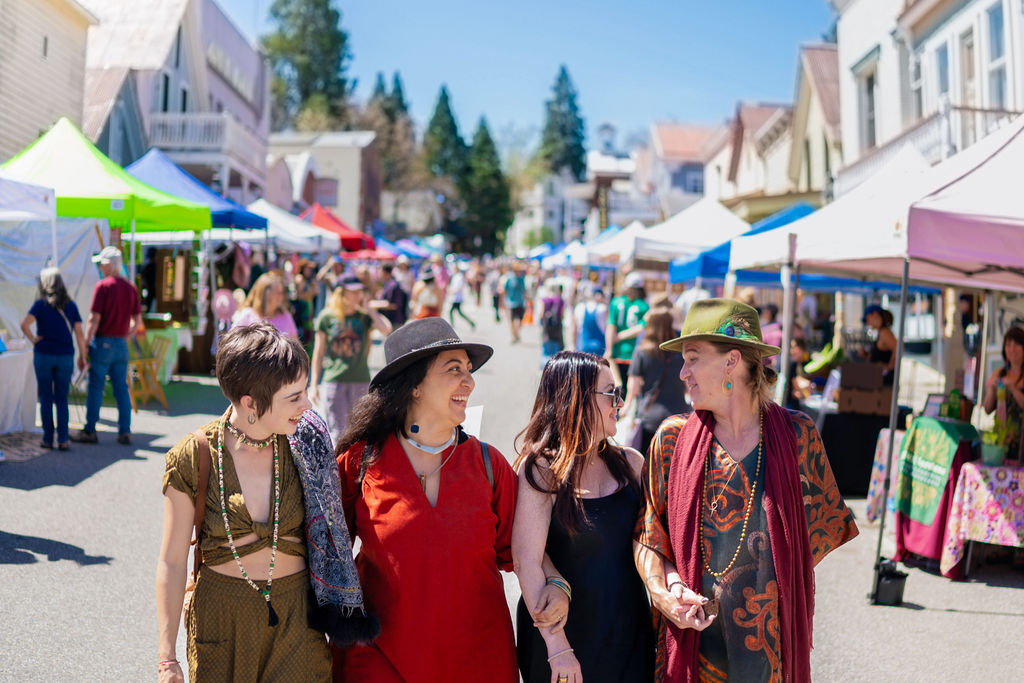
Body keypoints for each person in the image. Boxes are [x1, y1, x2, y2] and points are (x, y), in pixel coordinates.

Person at [633, 298, 859, 682]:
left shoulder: (797, 436)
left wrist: (764, 586)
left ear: (731, 362)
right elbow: (648, 537)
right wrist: (666, 590)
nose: (683, 373)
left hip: (771, 654)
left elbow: (814, 538)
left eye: (692, 358)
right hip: (693, 648)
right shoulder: (671, 440)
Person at [334, 318, 559, 682]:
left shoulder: (490, 465)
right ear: (414, 386)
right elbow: (327, 553)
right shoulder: (360, 463)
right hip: (380, 659)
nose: (468, 381)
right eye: (454, 370)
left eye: (469, 371)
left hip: (479, 661)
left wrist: (559, 586)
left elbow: (522, 555)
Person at [156, 322, 376, 683]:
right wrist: (167, 659)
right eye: (294, 397)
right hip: (220, 619)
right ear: (251, 404)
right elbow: (172, 560)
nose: (307, 405)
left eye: (305, 392)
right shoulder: (194, 455)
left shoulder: (305, 445)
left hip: (296, 617)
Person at [513, 351, 654, 683]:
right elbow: (526, 561)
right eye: (611, 394)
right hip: (565, 638)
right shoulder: (541, 470)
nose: (619, 403)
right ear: (576, 399)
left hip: (629, 632)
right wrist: (557, 647)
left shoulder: (632, 464)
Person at [310, 275, 392, 445]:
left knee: (359, 431)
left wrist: (368, 308)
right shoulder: (327, 317)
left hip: (360, 380)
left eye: (359, 292)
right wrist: (313, 385)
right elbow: (318, 352)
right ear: (341, 293)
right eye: (353, 292)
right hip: (334, 380)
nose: (357, 296)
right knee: (337, 433)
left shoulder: (363, 317)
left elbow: (386, 329)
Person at [72, 246, 141, 446]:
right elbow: (137, 321)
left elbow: (94, 318)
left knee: (96, 386)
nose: (100, 267)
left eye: (102, 264)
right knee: (121, 388)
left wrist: (85, 345)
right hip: (121, 344)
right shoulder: (130, 288)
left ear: (110, 265)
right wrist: (126, 335)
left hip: (103, 343)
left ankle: (90, 429)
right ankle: (125, 430)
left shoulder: (103, 286)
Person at [20, 268, 87, 450]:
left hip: (43, 354)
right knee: (62, 398)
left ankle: (48, 439)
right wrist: (83, 355)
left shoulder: (40, 305)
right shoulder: (71, 306)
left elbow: (24, 324)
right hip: (65, 355)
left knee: (46, 397)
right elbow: (80, 334)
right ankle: (63, 439)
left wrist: (33, 339)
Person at [622, 309, 689, 456]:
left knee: (648, 465)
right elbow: (687, 386)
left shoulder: (641, 352)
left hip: (649, 418)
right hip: (677, 416)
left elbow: (633, 387)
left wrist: (627, 407)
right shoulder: (680, 354)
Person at [982, 326, 1024, 459]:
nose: (1012, 349)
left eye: (1016, 344)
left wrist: (1013, 389)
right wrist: (991, 389)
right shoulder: (999, 374)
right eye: (1008, 345)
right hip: (1001, 439)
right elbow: (987, 409)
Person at [607, 273, 649, 383]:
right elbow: (641, 327)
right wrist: (617, 339)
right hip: (633, 353)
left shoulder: (616, 302)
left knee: (617, 388)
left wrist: (610, 347)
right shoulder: (644, 305)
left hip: (619, 351)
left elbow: (611, 326)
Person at [234, 272, 299, 339]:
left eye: (281, 292)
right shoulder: (247, 315)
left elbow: (296, 344)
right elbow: (234, 342)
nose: (281, 296)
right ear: (265, 294)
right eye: (277, 292)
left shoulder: (285, 316)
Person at [863, 304, 896, 383]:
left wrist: (889, 366)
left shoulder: (884, 332)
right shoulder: (880, 332)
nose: (867, 323)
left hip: (883, 384)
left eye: (867, 319)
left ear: (875, 314)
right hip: (878, 382)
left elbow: (898, 347)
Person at [571, 287, 608, 356]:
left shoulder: (579, 307)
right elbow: (607, 329)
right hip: (599, 347)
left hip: (582, 346)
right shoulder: (603, 308)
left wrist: (573, 346)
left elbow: (574, 330)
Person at [501, 262, 528, 343]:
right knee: (512, 320)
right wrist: (503, 302)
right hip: (511, 303)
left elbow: (524, 291)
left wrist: (526, 300)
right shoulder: (509, 279)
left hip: (520, 302)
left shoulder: (521, 279)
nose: (518, 272)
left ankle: (517, 333)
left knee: (520, 320)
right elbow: (505, 290)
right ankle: (513, 336)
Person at [376, 263, 409, 329]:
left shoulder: (394, 286)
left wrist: (376, 305)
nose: (379, 274)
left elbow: (394, 305)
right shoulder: (387, 285)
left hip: (395, 323)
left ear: (385, 273)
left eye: (380, 272)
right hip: (390, 321)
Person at [540, 284, 566, 362]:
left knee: (546, 346)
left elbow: (541, 314)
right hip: (557, 326)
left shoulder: (545, 300)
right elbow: (562, 315)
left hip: (547, 326)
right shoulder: (560, 300)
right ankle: (555, 365)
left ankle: (544, 366)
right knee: (557, 347)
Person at [446, 264, 476, 330]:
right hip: (454, 297)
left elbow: (460, 287)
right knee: (457, 312)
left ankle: (452, 325)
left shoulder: (460, 276)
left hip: (457, 298)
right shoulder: (455, 276)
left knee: (453, 312)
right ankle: (471, 323)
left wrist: (453, 291)